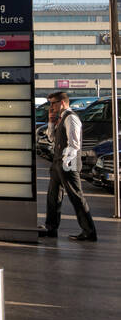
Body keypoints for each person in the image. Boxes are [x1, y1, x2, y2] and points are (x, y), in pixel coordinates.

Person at [41, 90, 98, 241]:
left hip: (67, 163)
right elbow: (52, 139)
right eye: (50, 103)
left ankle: (89, 231)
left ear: (63, 103)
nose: (51, 107)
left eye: (53, 103)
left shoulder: (71, 118)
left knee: (76, 197)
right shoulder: (60, 118)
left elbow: (74, 144)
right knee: (53, 197)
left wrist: (65, 163)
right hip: (58, 162)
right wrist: (51, 122)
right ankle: (51, 228)